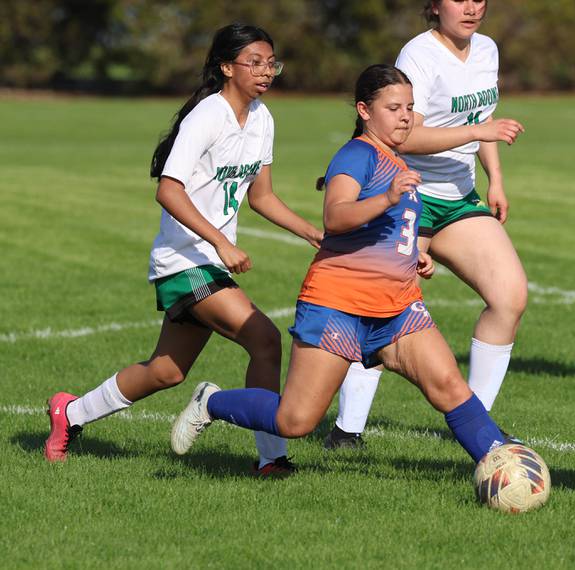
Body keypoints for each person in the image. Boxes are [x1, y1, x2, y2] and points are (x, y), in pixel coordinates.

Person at [169, 64, 510, 469]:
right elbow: (337, 216)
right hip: (337, 305)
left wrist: (412, 253)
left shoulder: (398, 163)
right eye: (394, 107)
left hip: (397, 308)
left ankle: (503, 464)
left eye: (410, 108)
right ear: (365, 110)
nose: (405, 116)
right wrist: (385, 200)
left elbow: (389, 228)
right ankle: (212, 401)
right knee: (295, 420)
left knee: (450, 387)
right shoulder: (355, 155)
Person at [44, 24, 322, 478]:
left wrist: (312, 231)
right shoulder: (207, 117)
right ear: (226, 66)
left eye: (272, 62)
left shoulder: (263, 117)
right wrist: (220, 241)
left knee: (166, 372)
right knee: (265, 340)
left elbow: (262, 197)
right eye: (255, 62)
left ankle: (69, 414)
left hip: (206, 261)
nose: (266, 71)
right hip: (186, 260)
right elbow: (169, 191)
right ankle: (272, 458)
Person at [325, 0, 528, 449]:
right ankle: (346, 431)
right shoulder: (419, 54)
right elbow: (405, 135)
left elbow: (482, 119)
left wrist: (495, 177)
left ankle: (477, 425)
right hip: (405, 196)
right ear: (434, 7)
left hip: (458, 197)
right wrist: (477, 135)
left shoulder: (487, 50)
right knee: (381, 310)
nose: (472, 7)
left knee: (509, 296)